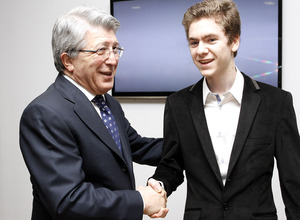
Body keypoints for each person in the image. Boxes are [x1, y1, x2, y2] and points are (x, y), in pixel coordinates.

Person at [149, 0, 300, 219]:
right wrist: (159, 185)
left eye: (211, 39)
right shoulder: (178, 104)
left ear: (234, 41)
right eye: (193, 42)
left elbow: (294, 179)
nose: (201, 50)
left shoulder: (276, 103)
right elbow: (172, 164)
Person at [19, 5, 168, 220]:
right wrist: (141, 200)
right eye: (101, 50)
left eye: (115, 49)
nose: (113, 59)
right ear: (68, 60)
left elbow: (138, 146)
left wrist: (197, 145)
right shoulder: (44, 113)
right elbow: (69, 200)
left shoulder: (107, 103)